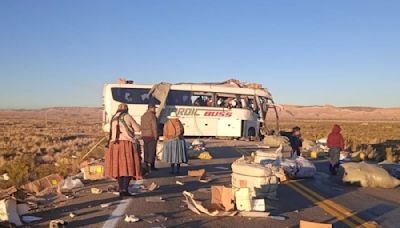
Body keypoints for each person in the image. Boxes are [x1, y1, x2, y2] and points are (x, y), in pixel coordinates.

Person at [104, 103, 142, 197]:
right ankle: (125, 190)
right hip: (126, 144)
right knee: (129, 166)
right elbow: (137, 129)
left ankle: (121, 189)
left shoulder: (114, 117)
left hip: (114, 145)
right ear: (126, 109)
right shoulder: (127, 116)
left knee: (118, 168)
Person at [141, 103, 159, 173]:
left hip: (144, 136)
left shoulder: (143, 116)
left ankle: (145, 164)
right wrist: (156, 136)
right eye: (154, 108)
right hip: (151, 135)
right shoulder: (152, 116)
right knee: (152, 151)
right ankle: (151, 166)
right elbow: (154, 127)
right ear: (151, 108)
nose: (155, 110)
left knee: (146, 150)